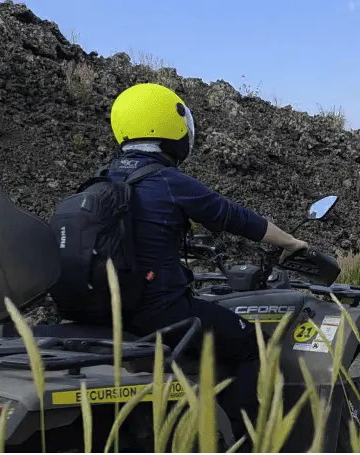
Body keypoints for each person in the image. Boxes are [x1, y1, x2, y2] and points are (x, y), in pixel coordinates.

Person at [104, 83, 308, 451]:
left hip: (107, 314)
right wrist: (292, 242)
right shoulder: (167, 181)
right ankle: (245, 440)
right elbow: (237, 218)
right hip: (159, 313)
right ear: (173, 127)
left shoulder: (100, 182)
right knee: (254, 343)